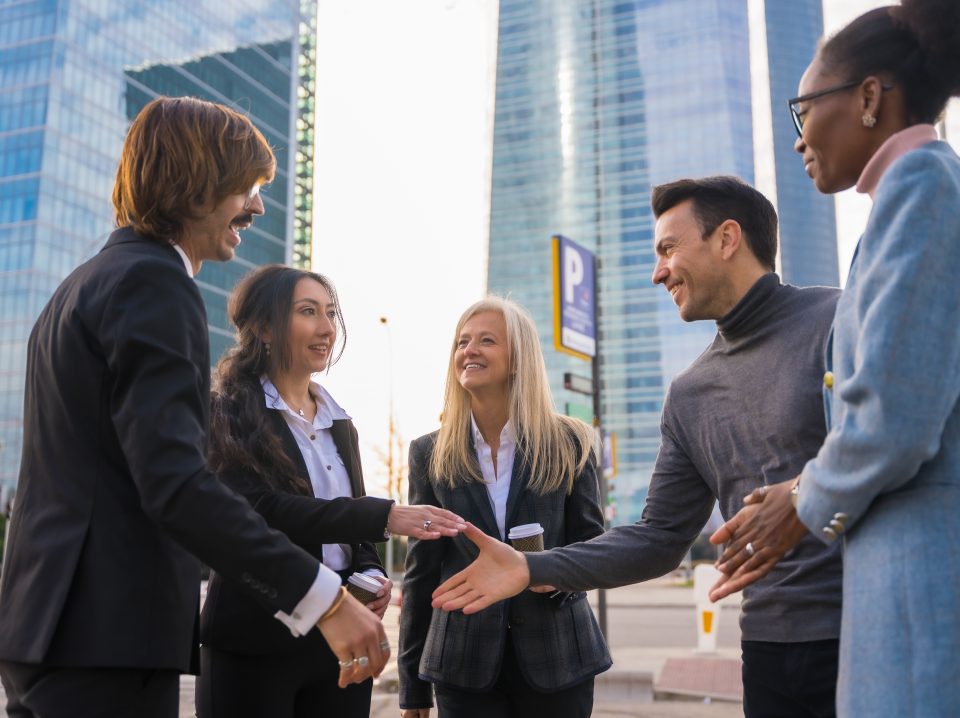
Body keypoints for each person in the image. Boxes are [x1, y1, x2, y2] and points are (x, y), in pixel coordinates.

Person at [0, 97, 408, 717]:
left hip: (46, 629)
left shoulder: (76, 288)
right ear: (197, 183)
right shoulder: (156, 283)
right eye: (246, 185)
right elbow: (176, 485)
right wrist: (323, 598)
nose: (258, 205)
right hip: (109, 641)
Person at [430, 177, 844, 717]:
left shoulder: (840, 320)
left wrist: (803, 491)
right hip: (768, 648)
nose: (658, 272)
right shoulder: (689, 395)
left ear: (727, 239)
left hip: (870, 627)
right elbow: (659, 538)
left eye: (669, 248)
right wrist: (533, 568)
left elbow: (899, 441)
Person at [706, 2, 960, 715]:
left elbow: (895, 415)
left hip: (923, 606)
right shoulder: (905, 199)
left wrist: (800, 499)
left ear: (870, 99)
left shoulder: (926, 191)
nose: (799, 140)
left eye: (803, 109)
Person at [196, 264, 464, 718]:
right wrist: (383, 515)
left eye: (331, 313)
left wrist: (371, 572)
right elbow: (262, 512)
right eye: (308, 312)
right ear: (263, 326)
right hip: (255, 639)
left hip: (340, 636)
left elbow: (350, 535)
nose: (326, 328)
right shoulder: (227, 411)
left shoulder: (339, 422)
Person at [398, 297, 611, 718]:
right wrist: (413, 688)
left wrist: (549, 577)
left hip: (559, 659)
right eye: (462, 342)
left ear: (518, 360)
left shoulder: (571, 443)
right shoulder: (430, 452)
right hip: (462, 665)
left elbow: (592, 549)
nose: (469, 350)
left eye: (487, 340)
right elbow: (422, 573)